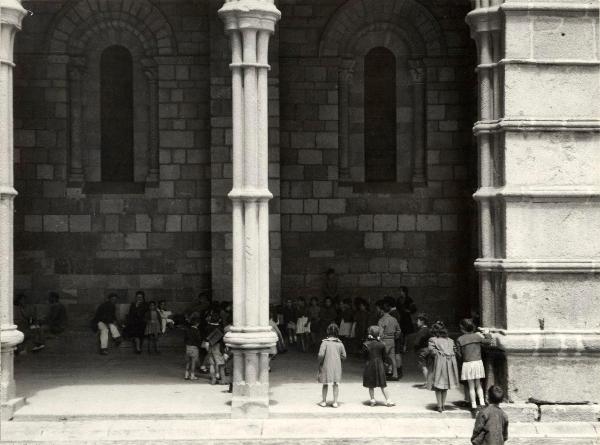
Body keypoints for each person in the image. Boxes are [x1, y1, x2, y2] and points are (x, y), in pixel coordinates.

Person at [456, 318, 493, 412]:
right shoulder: (477, 337)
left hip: (467, 364)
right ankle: (482, 403)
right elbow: (488, 341)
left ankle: (473, 405)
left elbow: (459, 354)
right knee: (478, 385)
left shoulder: (460, 339)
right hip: (478, 363)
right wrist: (487, 332)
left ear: (462, 328)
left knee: (471, 386)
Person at [427, 321, 459, 412]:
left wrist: (438, 353)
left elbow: (432, 351)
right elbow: (455, 350)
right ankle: (443, 405)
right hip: (449, 366)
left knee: (438, 387)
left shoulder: (433, 340)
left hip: (439, 366)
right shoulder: (451, 340)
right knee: (445, 387)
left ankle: (439, 405)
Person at [362, 326, 395, 407]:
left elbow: (364, 356)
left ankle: (372, 400)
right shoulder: (382, 344)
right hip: (379, 365)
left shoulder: (366, 344)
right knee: (383, 384)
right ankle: (388, 400)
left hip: (369, 364)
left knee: (371, 384)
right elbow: (384, 356)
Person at [317, 323, 346, 408]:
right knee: (336, 384)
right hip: (336, 366)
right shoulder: (340, 343)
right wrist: (338, 359)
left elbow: (321, 354)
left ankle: (324, 401)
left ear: (327, 331)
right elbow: (344, 356)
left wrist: (320, 362)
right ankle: (335, 402)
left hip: (326, 365)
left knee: (325, 383)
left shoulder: (324, 343)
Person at [377, 300, 401, 380]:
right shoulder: (394, 319)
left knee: (382, 358)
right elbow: (398, 330)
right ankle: (395, 375)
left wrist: (379, 340)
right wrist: (395, 337)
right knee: (392, 358)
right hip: (392, 340)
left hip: (384, 340)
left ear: (382, 311)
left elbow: (380, 333)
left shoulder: (381, 320)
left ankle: (382, 375)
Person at [413, 313, 431, 387]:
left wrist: (415, 347)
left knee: (423, 366)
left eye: (418, 321)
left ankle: (427, 382)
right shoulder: (428, 329)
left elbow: (417, 342)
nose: (417, 322)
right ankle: (429, 381)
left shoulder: (422, 331)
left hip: (422, 350)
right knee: (428, 366)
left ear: (422, 321)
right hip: (428, 349)